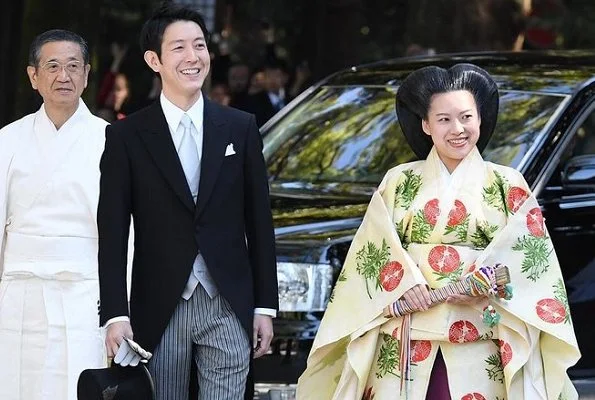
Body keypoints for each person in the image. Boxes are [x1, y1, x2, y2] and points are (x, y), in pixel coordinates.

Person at [296, 64, 580, 399]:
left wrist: (483, 281)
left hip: (480, 336)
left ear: (480, 119)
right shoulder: (398, 182)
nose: (457, 129)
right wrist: (404, 282)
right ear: (426, 125)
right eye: (444, 119)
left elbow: (532, 259)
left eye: (466, 117)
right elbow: (371, 252)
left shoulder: (508, 184)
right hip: (406, 337)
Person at [97, 3, 278, 400]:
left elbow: (259, 222)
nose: (193, 57)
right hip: (158, 307)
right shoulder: (127, 137)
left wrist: (266, 305)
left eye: (199, 45)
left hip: (227, 303)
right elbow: (111, 230)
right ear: (154, 60)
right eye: (178, 47)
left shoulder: (240, 127)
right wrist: (115, 313)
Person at [0, 29, 108, 399]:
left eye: (73, 66)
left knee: (76, 385)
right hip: (18, 292)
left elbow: (125, 233)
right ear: (34, 76)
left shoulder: (111, 140)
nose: (64, 76)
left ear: (87, 74)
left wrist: (119, 311)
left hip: (84, 292)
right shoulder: (7, 140)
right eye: (53, 66)